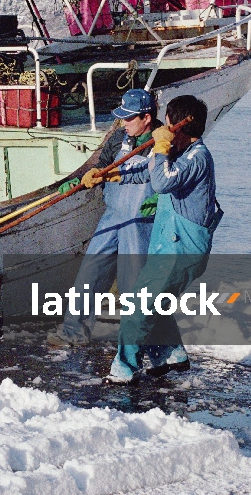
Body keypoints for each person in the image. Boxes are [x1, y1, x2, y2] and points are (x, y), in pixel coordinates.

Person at [107, 95, 222, 382]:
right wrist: (112, 176)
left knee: (138, 305)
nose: (164, 128)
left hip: (182, 248)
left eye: (168, 124)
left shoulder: (198, 158)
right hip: (168, 243)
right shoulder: (180, 154)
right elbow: (151, 173)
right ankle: (171, 355)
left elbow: (161, 181)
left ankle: (124, 370)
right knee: (154, 302)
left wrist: (160, 145)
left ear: (181, 125)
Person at [47, 88, 162, 347]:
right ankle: (73, 331)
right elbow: (100, 167)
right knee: (90, 271)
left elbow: (167, 178)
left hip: (140, 222)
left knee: (134, 284)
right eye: (122, 117)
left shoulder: (162, 140)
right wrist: (81, 180)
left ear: (146, 117)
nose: (124, 123)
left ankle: (138, 343)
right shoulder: (119, 137)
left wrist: (160, 199)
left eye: (129, 118)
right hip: (113, 215)